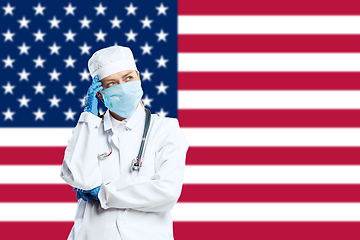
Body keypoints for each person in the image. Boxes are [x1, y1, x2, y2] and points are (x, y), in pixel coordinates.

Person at [60, 46, 189, 240]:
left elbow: (166, 192)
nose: (122, 86)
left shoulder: (165, 129)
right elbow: (78, 178)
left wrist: (103, 192)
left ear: (138, 77)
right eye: (112, 83)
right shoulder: (89, 130)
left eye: (128, 78)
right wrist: (88, 118)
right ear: (100, 94)